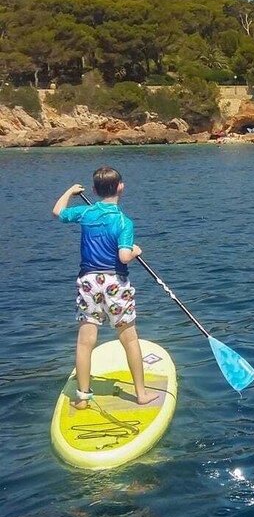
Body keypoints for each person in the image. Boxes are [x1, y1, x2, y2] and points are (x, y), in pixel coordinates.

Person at [53, 167, 159, 409]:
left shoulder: (87, 212)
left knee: (85, 341)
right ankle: (141, 394)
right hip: (115, 284)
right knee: (129, 340)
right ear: (121, 187)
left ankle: (82, 398)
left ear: (93, 191)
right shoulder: (123, 221)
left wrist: (70, 190)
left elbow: (58, 212)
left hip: (88, 282)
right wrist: (135, 251)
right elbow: (123, 256)